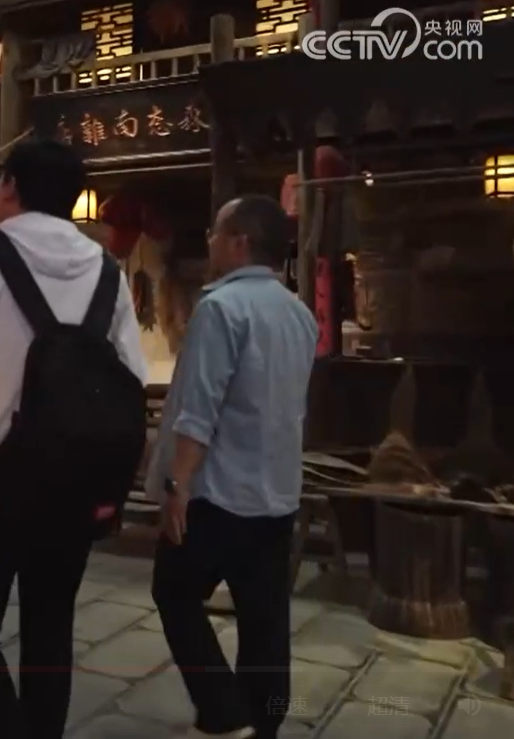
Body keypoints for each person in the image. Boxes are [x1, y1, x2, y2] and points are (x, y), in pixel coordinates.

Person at [0, 139, 147, 739]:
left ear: (9, 186)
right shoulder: (108, 272)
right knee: (50, 629)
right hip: (73, 489)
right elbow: (131, 384)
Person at [146, 195, 318, 739]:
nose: (210, 242)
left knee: (174, 592)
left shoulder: (220, 309)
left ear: (240, 242)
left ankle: (223, 711)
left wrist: (178, 485)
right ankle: (264, 722)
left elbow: (199, 409)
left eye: (216, 233)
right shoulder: (299, 313)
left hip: (217, 492)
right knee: (264, 616)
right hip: (276, 490)